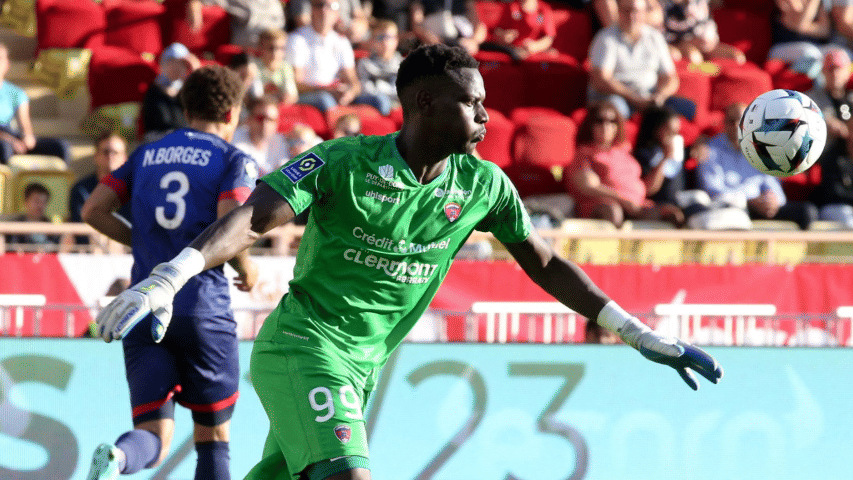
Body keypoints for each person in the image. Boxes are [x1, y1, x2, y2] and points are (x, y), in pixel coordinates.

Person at [94, 44, 722, 480]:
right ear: (423, 103)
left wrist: (636, 332)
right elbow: (254, 217)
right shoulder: (342, 161)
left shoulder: (482, 186)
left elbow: (546, 262)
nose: (485, 115)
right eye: (470, 103)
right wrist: (172, 274)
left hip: (363, 369)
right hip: (303, 349)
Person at [81, 65, 259, 480]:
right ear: (232, 113)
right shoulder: (232, 158)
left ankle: (118, 459)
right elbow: (231, 222)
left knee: (153, 437)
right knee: (213, 437)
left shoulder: (147, 153)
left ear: (185, 109)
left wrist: (141, 241)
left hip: (142, 305)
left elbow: (93, 209)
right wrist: (247, 268)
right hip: (202, 309)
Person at [696, 102, 819, 230]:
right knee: (735, 212)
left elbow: (773, 186)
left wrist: (772, 201)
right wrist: (749, 201)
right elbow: (713, 191)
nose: (736, 125)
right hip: (732, 206)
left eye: (741, 121)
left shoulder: (760, 149)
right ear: (724, 123)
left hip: (760, 206)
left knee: (807, 211)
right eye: (731, 121)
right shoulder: (709, 150)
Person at [565, 101, 685, 228]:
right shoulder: (584, 153)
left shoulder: (625, 152)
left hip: (637, 206)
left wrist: (665, 159)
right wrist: (623, 200)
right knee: (613, 212)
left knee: (673, 215)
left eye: (612, 121)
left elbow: (648, 189)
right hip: (604, 206)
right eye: (600, 120)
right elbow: (588, 186)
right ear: (590, 124)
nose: (606, 125)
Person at [588, 0, 694, 121]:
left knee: (688, 108)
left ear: (644, 13)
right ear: (619, 11)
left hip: (649, 96)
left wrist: (660, 96)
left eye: (636, 11)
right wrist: (633, 98)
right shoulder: (606, 38)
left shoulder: (655, 37)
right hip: (617, 97)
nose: (631, 16)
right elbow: (600, 79)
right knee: (614, 110)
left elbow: (670, 78)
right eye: (627, 11)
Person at [286, 0, 385, 113]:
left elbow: (353, 81)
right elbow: (295, 84)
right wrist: (327, 90)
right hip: (312, 95)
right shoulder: (297, 39)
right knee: (325, 99)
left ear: (337, 13)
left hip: (334, 94)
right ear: (311, 9)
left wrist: (350, 93)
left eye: (331, 6)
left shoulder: (341, 41)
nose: (324, 10)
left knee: (379, 100)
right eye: (319, 5)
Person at [0, 42, 70, 165]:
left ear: (7, 63)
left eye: (1, 58)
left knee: (60, 147)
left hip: (9, 132)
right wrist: (10, 140)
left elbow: (25, 125)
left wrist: (27, 137)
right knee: (4, 148)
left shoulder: (16, 93)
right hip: (4, 140)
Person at [141, 43, 201, 143]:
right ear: (164, 64)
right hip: (159, 142)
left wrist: (195, 73)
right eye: (173, 62)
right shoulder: (154, 91)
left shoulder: (188, 91)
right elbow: (151, 128)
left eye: (181, 64)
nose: (177, 67)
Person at [68, 131, 130, 224]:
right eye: (106, 152)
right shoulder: (81, 190)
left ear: (125, 159)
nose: (110, 157)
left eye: (115, 153)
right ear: (96, 156)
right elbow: (80, 226)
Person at [632, 104, 686, 208]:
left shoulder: (681, 151)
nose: (673, 136)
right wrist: (664, 159)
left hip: (679, 201)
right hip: (658, 205)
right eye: (669, 130)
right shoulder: (643, 154)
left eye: (676, 132)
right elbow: (649, 190)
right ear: (656, 128)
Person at [767, 0, 832, 84]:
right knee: (811, 54)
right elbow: (800, 24)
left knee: (837, 52)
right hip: (780, 48)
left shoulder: (820, 2)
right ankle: (813, 87)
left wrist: (804, 26)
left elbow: (825, 31)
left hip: (812, 47)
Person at [661, 0, 745, 64]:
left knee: (738, 58)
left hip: (706, 43)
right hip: (677, 42)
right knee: (693, 56)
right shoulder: (663, 4)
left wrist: (709, 40)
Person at [185, 0, 286, 49]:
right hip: (240, 58)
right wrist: (195, 3)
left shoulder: (276, 7)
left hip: (269, 61)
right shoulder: (251, 5)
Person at [807, 47, 853, 151]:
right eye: (831, 69)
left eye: (839, 69)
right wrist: (824, 123)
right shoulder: (811, 99)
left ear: (848, 71)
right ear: (823, 71)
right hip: (826, 152)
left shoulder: (850, 96)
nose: (835, 74)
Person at [480, 0, 557, 62]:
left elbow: (549, 37)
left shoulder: (543, 9)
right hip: (512, 51)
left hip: (532, 53)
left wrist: (535, 46)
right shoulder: (512, 6)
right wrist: (504, 35)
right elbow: (497, 31)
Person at [232, 95, 289, 175]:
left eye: (270, 120)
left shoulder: (279, 141)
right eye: (260, 118)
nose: (265, 124)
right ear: (249, 119)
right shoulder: (235, 139)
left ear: (277, 123)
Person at [356, 20, 403, 116]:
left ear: (396, 40)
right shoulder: (365, 63)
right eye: (380, 37)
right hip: (374, 101)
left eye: (389, 37)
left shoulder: (405, 64)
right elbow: (366, 89)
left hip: (397, 102)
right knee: (381, 100)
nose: (385, 41)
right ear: (373, 41)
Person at [409, 0, 487, 56]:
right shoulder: (420, 2)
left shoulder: (466, 2)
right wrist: (436, 43)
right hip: (435, 46)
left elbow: (479, 26)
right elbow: (417, 26)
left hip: (462, 44)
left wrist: (473, 41)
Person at [250, 29, 299, 107]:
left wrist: (286, 97)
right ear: (260, 48)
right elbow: (257, 96)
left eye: (281, 48)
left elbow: (291, 95)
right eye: (271, 48)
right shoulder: (253, 66)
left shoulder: (286, 67)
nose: (275, 53)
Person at [4, 182, 60, 246]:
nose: (40, 206)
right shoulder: (13, 227)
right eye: (36, 201)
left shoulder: (53, 229)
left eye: (44, 202)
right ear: (26, 202)